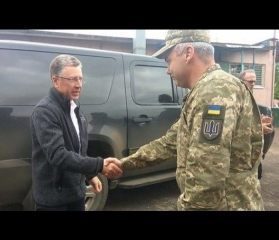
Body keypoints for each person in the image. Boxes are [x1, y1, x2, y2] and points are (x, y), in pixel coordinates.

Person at [120, 30, 265, 211]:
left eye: (169, 60)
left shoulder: (214, 90)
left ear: (188, 53)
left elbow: (208, 173)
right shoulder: (208, 88)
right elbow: (169, 142)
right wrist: (124, 164)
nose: (168, 70)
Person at [30, 54, 122, 211]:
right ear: (55, 81)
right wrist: (98, 165)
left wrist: (89, 175)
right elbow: (58, 155)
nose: (79, 84)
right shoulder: (45, 111)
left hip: (76, 194)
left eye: (80, 79)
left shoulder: (74, 109)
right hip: (53, 200)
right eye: (72, 79)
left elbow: (78, 150)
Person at [238, 69, 275, 179]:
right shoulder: (236, 98)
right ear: (241, 81)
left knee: (256, 178)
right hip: (242, 154)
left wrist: (260, 120)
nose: (253, 84)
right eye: (250, 81)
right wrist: (259, 128)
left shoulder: (249, 96)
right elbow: (237, 125)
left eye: (254, 81)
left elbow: (248, 118)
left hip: (254, 151)